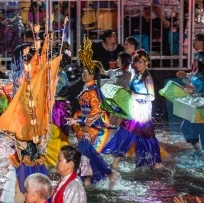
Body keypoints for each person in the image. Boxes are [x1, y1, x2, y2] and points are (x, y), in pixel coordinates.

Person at [102, 50, 162, 169]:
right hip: (134, 111)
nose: (138, 64)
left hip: (143, 113)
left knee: (146, 137)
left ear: (146, 62)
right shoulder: (137, 75)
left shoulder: (147, 77)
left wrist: (136, 96)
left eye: (140, 62)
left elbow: (152, 97)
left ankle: (156, 164)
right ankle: (117, 161)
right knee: (127, 132)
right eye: (136, 62)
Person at [71, 36, 117, 186]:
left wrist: (86, 124)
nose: (84, 74)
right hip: (85, 124)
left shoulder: (93, 90)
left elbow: (97, 109)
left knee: (85, 149)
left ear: (93, 75)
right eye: (83, 72)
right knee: (85, 152)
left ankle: (106, 172)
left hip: (93, 125)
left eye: (87, 72)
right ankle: (89, 178)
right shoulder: (86, 88)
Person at [180, 51, 204, 149]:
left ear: (201, 61)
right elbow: (195, 87)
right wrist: (190, 89)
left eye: (195, 60)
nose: (193, 61)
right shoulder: (197, 73)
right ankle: (195, 147)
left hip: (201, 106)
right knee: (185, 127)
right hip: (194, 103)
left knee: (202, 131)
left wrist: (192, 91)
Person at [45, 51, 72, 168]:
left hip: (58, 109)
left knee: (55, 134)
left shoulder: (61, 76)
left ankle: (59, 161)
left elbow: (53, 92)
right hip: (56, 107)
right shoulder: (58, 74)